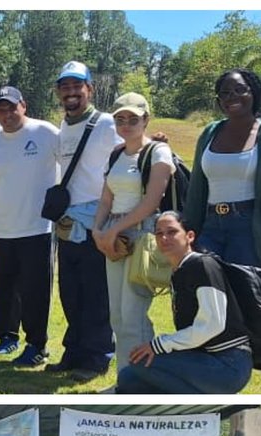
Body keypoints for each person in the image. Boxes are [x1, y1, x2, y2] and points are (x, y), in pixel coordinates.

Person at [116, 210, 254, 394]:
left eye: (172, 232)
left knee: (141, 365)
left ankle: (210, 403)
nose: (164, 238)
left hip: (228, 364)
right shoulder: (178, 272)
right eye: (159, 233)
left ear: (189, 236)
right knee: (127, 379)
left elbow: (212, 325)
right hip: (202, 359)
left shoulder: (202, 265)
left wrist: (159, 345)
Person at [0, 85, 59, 367]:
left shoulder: (45, 133)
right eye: (1, 109)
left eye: (12, 107)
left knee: (35, 290)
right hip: (4, 228)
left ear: (23, 105)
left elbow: (74, 159)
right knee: (6, 287)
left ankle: (37, 345)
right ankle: (8, 338)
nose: (7, 114)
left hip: (39, 228)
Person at [91, 92, 175, 369]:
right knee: (117, 315)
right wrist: (97, 230)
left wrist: (114, 230)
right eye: (120, 119)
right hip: (114, 235)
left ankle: (138, 380)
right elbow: (106, 198)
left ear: (146, 120)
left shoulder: (157, 152)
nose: (126, 124)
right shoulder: (116, 153)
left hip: (142, 235)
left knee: (133, 315)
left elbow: (151, 202)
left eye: (133, 119)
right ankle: (126, 377)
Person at [184, 69, 261, 278]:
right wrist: (189, 232)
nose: (231, 96)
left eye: (239, 89)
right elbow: (196, 190)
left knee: (245, 298)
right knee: (206, 296)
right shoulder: (209, 134)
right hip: (210, 228)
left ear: (253, 93)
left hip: (249, 230)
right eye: (224, 93)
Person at [49, 61, 119, 383]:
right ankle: (73, 350)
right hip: (67, 224)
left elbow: (132, 151)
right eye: (65, 87)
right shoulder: (62, 128)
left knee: (95, 293)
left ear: (89, 89)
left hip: (97, 220)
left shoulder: (105, 124)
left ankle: (98, 355)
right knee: (70, 292)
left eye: (78, 86)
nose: (71, 93)